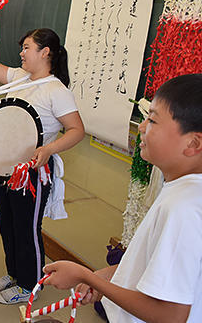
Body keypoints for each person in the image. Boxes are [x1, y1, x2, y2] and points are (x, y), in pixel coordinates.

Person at [43, 74, 202, 323]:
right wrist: (109, 276)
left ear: (192, 143)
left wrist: (87, 277)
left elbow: (170, 315)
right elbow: (163, 266)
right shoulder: (185, 193)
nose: (141, 127)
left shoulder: (183, 207)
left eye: (152, 120)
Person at [0, 17, 85, 304]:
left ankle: (31, 285)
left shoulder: (56, 90)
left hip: (33, 172)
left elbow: (77, 130)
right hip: (6, 167)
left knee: (27, 228)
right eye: (22, 48)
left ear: (45, 52)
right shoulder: (20, 78)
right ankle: (15, 274)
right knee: (8, 223)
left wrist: (49, 150)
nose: (22, 53)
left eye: (27, 48)